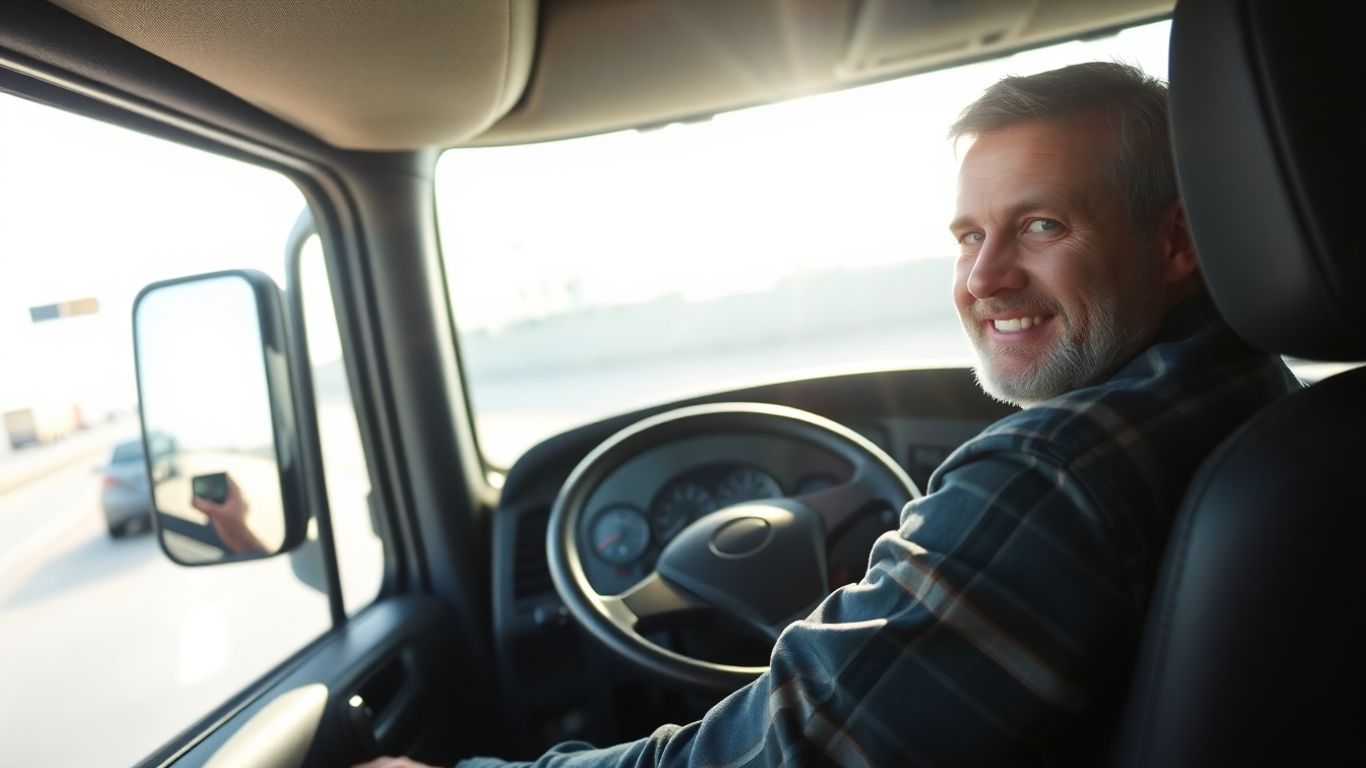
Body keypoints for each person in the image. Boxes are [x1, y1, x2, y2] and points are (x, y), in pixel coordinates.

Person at [356, 61, 1298, 768]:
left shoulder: (1054, 468)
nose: (983, 278)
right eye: (971, 235)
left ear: (1175, 241)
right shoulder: (1254, 391)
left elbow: (791, 748)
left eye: (1041, 226)